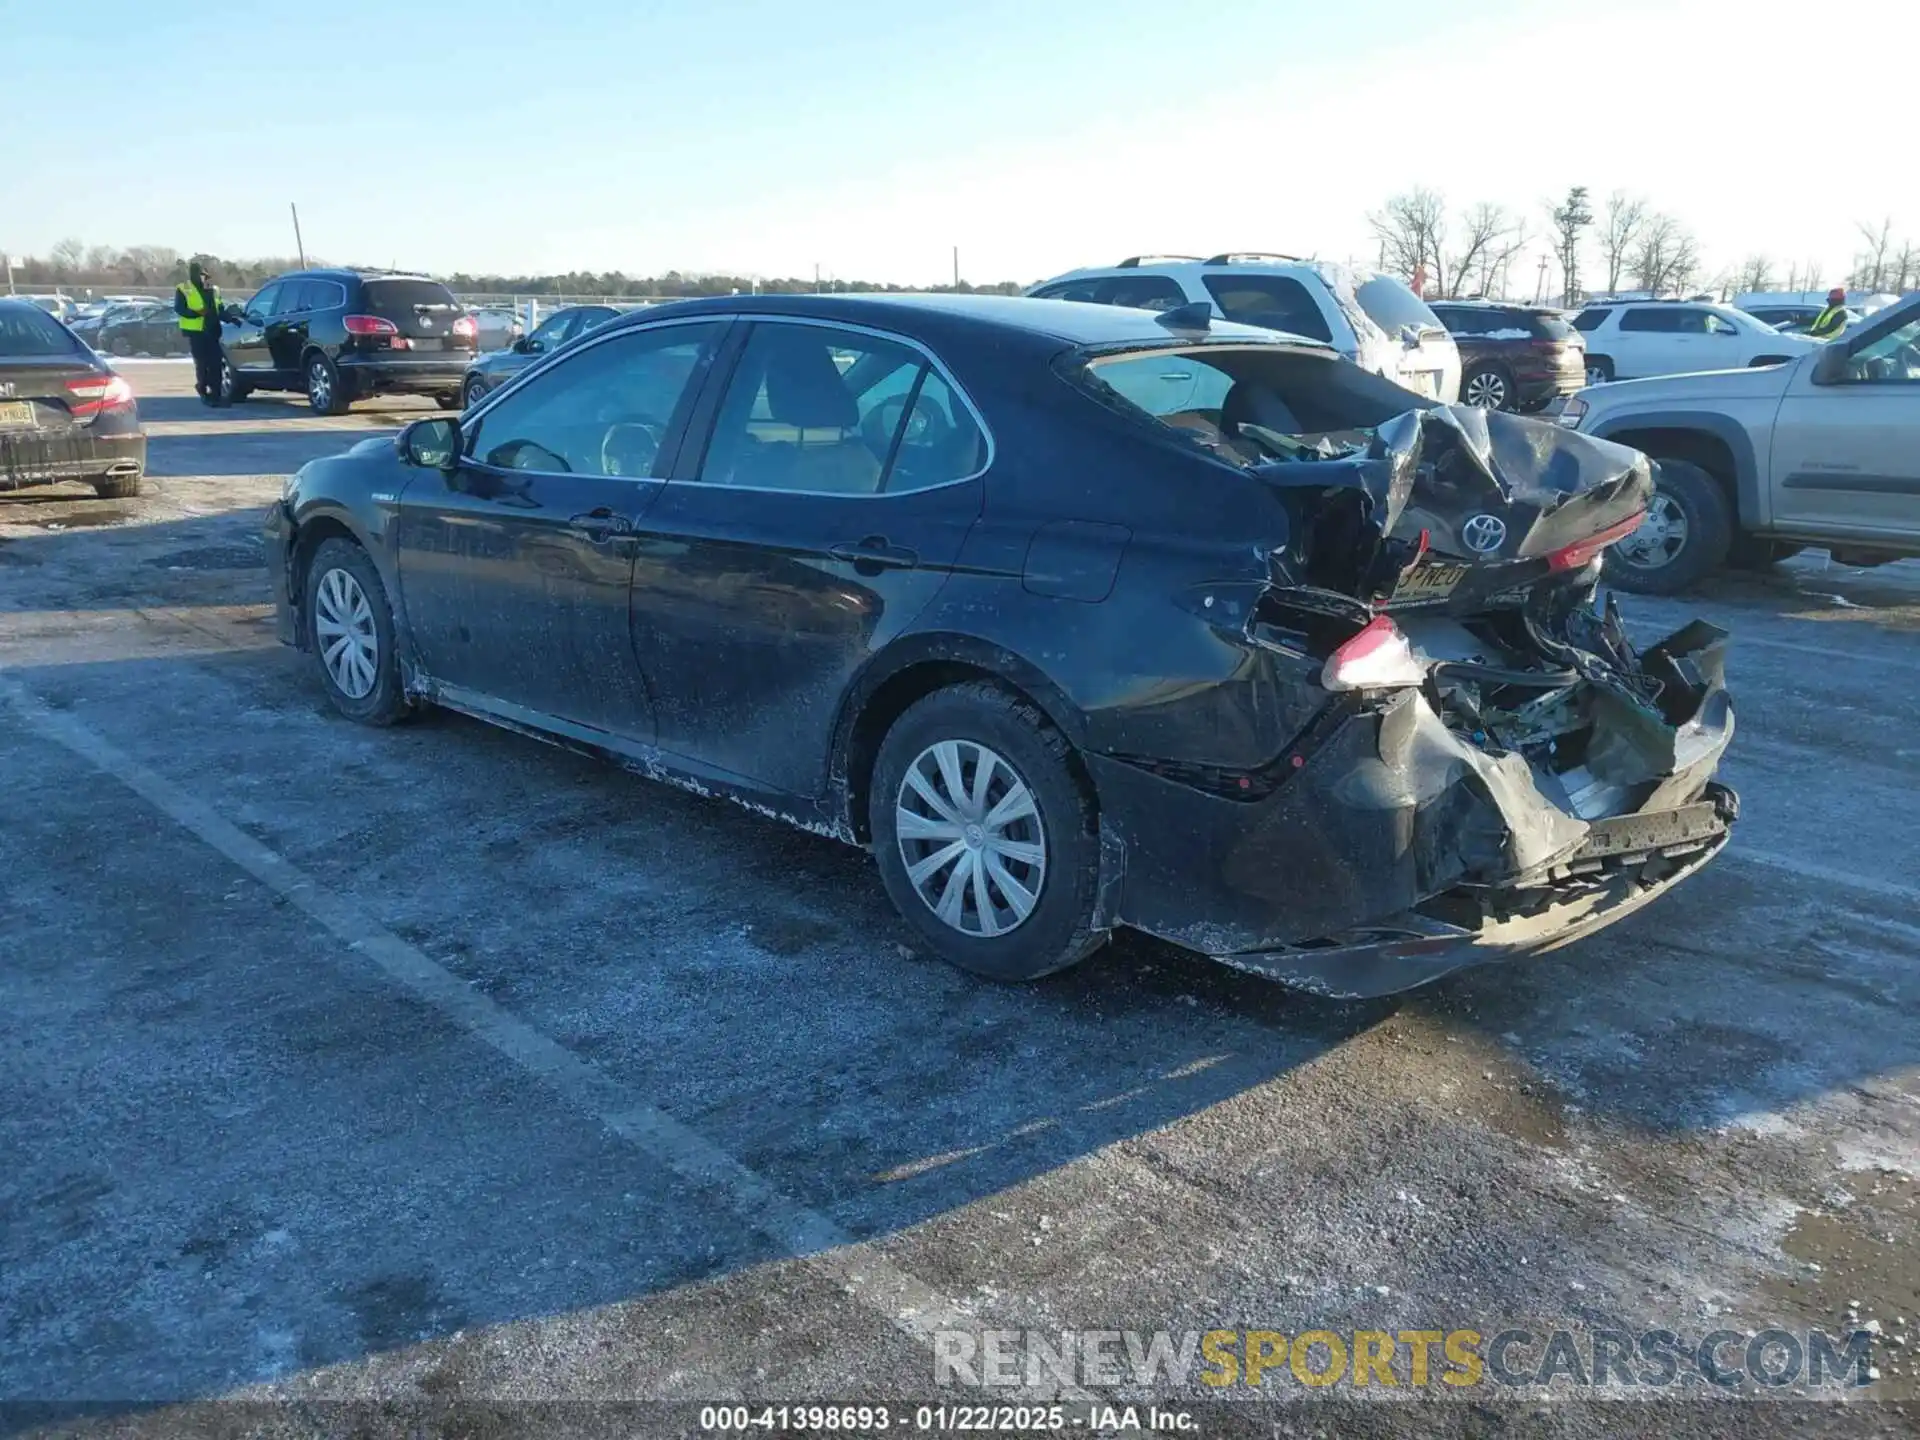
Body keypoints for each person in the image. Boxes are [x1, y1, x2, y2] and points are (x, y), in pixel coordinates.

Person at [174, 260, 226, 406]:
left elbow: (219, 308)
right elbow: (179, 308)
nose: (201, 275)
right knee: (202, 364)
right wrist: (197, 313)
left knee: (216, 364)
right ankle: (203, 390)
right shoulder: (184, 288)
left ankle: (216, 395)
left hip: (214, 330)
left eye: (203, 272)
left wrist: (231, 317)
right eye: (197, 272)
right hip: (196, 332)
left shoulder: (213, 289)